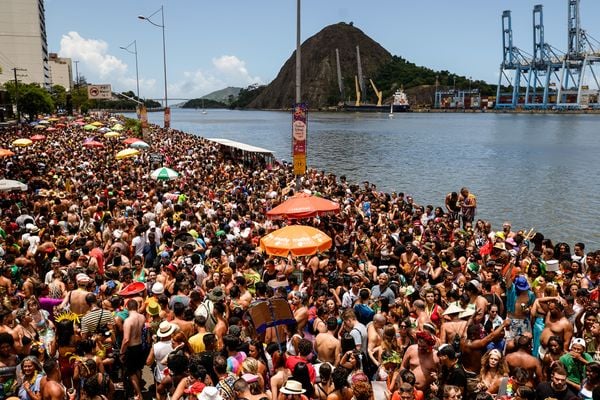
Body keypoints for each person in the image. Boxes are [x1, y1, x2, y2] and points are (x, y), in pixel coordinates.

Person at [119, 299, 146, 400]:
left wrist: (122, 352)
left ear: (127, 307)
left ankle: (139, 394)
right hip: (140, 346)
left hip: (131, 348)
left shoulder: (128, 321)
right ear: (137, 307)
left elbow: (126, 340)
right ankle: (137, 390)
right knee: (138, 368)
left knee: (131, 372)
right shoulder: (142, 317)